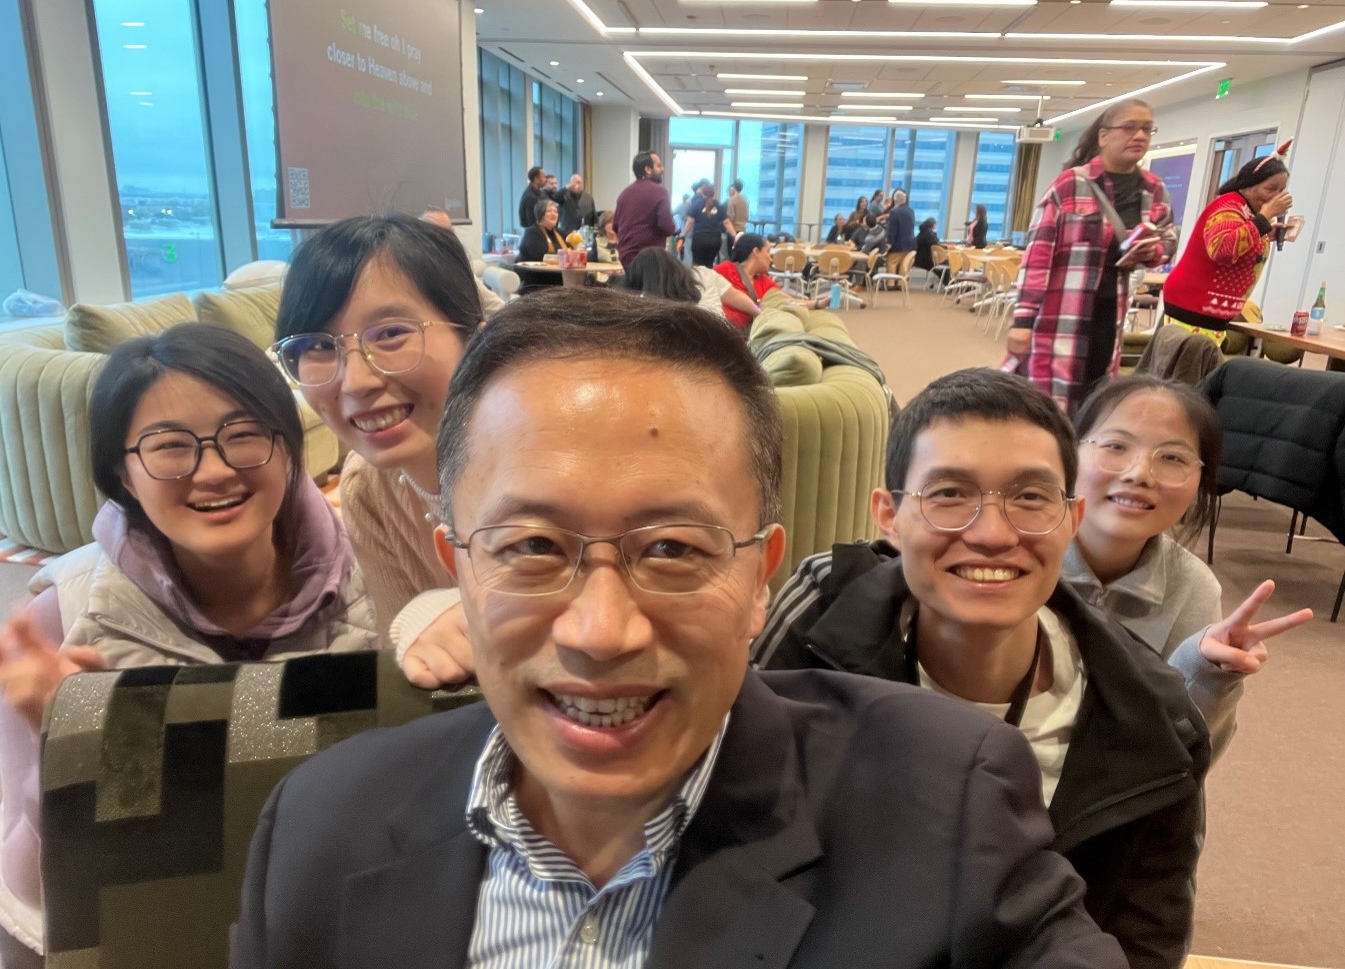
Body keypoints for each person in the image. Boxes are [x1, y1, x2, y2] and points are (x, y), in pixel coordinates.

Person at [234, 291, 1128, 969]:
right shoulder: (319, 826)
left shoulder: (944, 803)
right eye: (531, 546)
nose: (601, 630)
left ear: (756, 577)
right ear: (458, 566)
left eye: (671, 549)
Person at [753, 367, 1210, 969]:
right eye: (949, 495)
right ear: (888, 516)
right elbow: (741, 842)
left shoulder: (1154, 720)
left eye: (1030, 497)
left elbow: (1144, 940)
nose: (993, 534)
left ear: (1070, 518)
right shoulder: (820, 618)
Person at [0, 323, 376, 965]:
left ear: (289, 448)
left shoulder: (380, 585)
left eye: (243, 435)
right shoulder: (61, 623)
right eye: (170, 447)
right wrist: (64, 755)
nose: (213, 469)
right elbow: (27, 900)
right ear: (122, 473)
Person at [1066, 374, 1312, 761]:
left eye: (1172, 458)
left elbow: (1183, 766)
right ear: (1070, 453)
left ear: (1201, 480)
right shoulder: (1020, 554)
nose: (1139, 474)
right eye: (1115, 445)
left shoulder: (1193, 588)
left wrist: (1208, 675)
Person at [272, 213, 484, 644]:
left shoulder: (549, 464)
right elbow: (408, 669)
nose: (356, 382)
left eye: (390, 333)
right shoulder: (367, 489)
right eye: (316, 346)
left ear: (475, 341)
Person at [1005, 97, 1175, 414]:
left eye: (1147, 129)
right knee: (1048, 405)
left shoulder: (1153, 189)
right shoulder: (1071, 184)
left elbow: (1168, 237)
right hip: (1059, 318)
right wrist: (1022, 321)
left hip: (1111, 316)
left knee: (1095, 404)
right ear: (1104, 136)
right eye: (1129, 127)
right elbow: (1037, 255)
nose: (1139, 136)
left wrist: (1155, 250)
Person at [1159, 154, 1293, 342]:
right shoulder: (1228, 206)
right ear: (1248, 185)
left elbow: (1242, 241)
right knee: (1188, 368)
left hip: (1210, 312)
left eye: (1282, 190)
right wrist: (1264, 219)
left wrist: (1265, 232)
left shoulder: (1246, 212)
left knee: (1201, 367)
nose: (1278, 197)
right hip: (1194, 307)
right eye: (1271, 189)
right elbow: (1223, 249)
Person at [715, 233, 827, 329]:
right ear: (756, 252)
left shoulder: (765, 283)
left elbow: (786, 302)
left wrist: (816, 304)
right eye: (767, 252)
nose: (770, 258)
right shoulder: (725, 269)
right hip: (714, 327)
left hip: (735, 337)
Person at [623, 245, 738, 319]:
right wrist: (756, 311)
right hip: (725, 346)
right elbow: (736, 297)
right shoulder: (703, 275)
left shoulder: (653, 311)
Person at [612, 150, 678, 267]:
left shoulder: (624, 194)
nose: (662, 169)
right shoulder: (660, 192)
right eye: (659, 166)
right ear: (648, 169)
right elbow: (667, 227)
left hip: (625, 258)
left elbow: (615, 227)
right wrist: (675, 228)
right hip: (650, 260)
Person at [682, 179, 734, 268]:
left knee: (698, 266)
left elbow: (690, 221)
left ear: (702, 192)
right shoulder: (718, 205)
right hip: (715, 240)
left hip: (699, 239)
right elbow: (726, 222)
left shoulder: (696, 204)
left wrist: (683, 234)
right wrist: (735, 236)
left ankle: (699, 281)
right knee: (709, 265)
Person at [517, 199, 571, 264]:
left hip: (555, 270)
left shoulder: (560, 233)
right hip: (533, 272)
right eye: (549, 211)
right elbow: (543, 256)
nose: (553, 214)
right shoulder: (532, 232)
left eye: (555, 211)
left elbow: (573, 250)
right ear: (541, 214)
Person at [914, 217, 948, 286]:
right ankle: (949, 284)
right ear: (933, 225)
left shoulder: (921, 233)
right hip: (926, 260)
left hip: (919, 259)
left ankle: (947, 283)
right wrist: (948, 247)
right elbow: (937, 246)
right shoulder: (931, 234)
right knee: (946, 265)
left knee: (942, 267)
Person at [884, 188, 915, 258]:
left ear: (894, 199)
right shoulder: (911, 211)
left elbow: (892, 229)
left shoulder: (894, 212)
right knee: (903, 268)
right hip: (909, 246)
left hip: (897, 246)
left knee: (892, 265)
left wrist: (889, 242)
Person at [517, 165, 548, 229]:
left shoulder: (540, 193)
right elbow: (532, 222)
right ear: (536, 179)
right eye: (544, 177)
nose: (546, 179)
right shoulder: (530, 197)